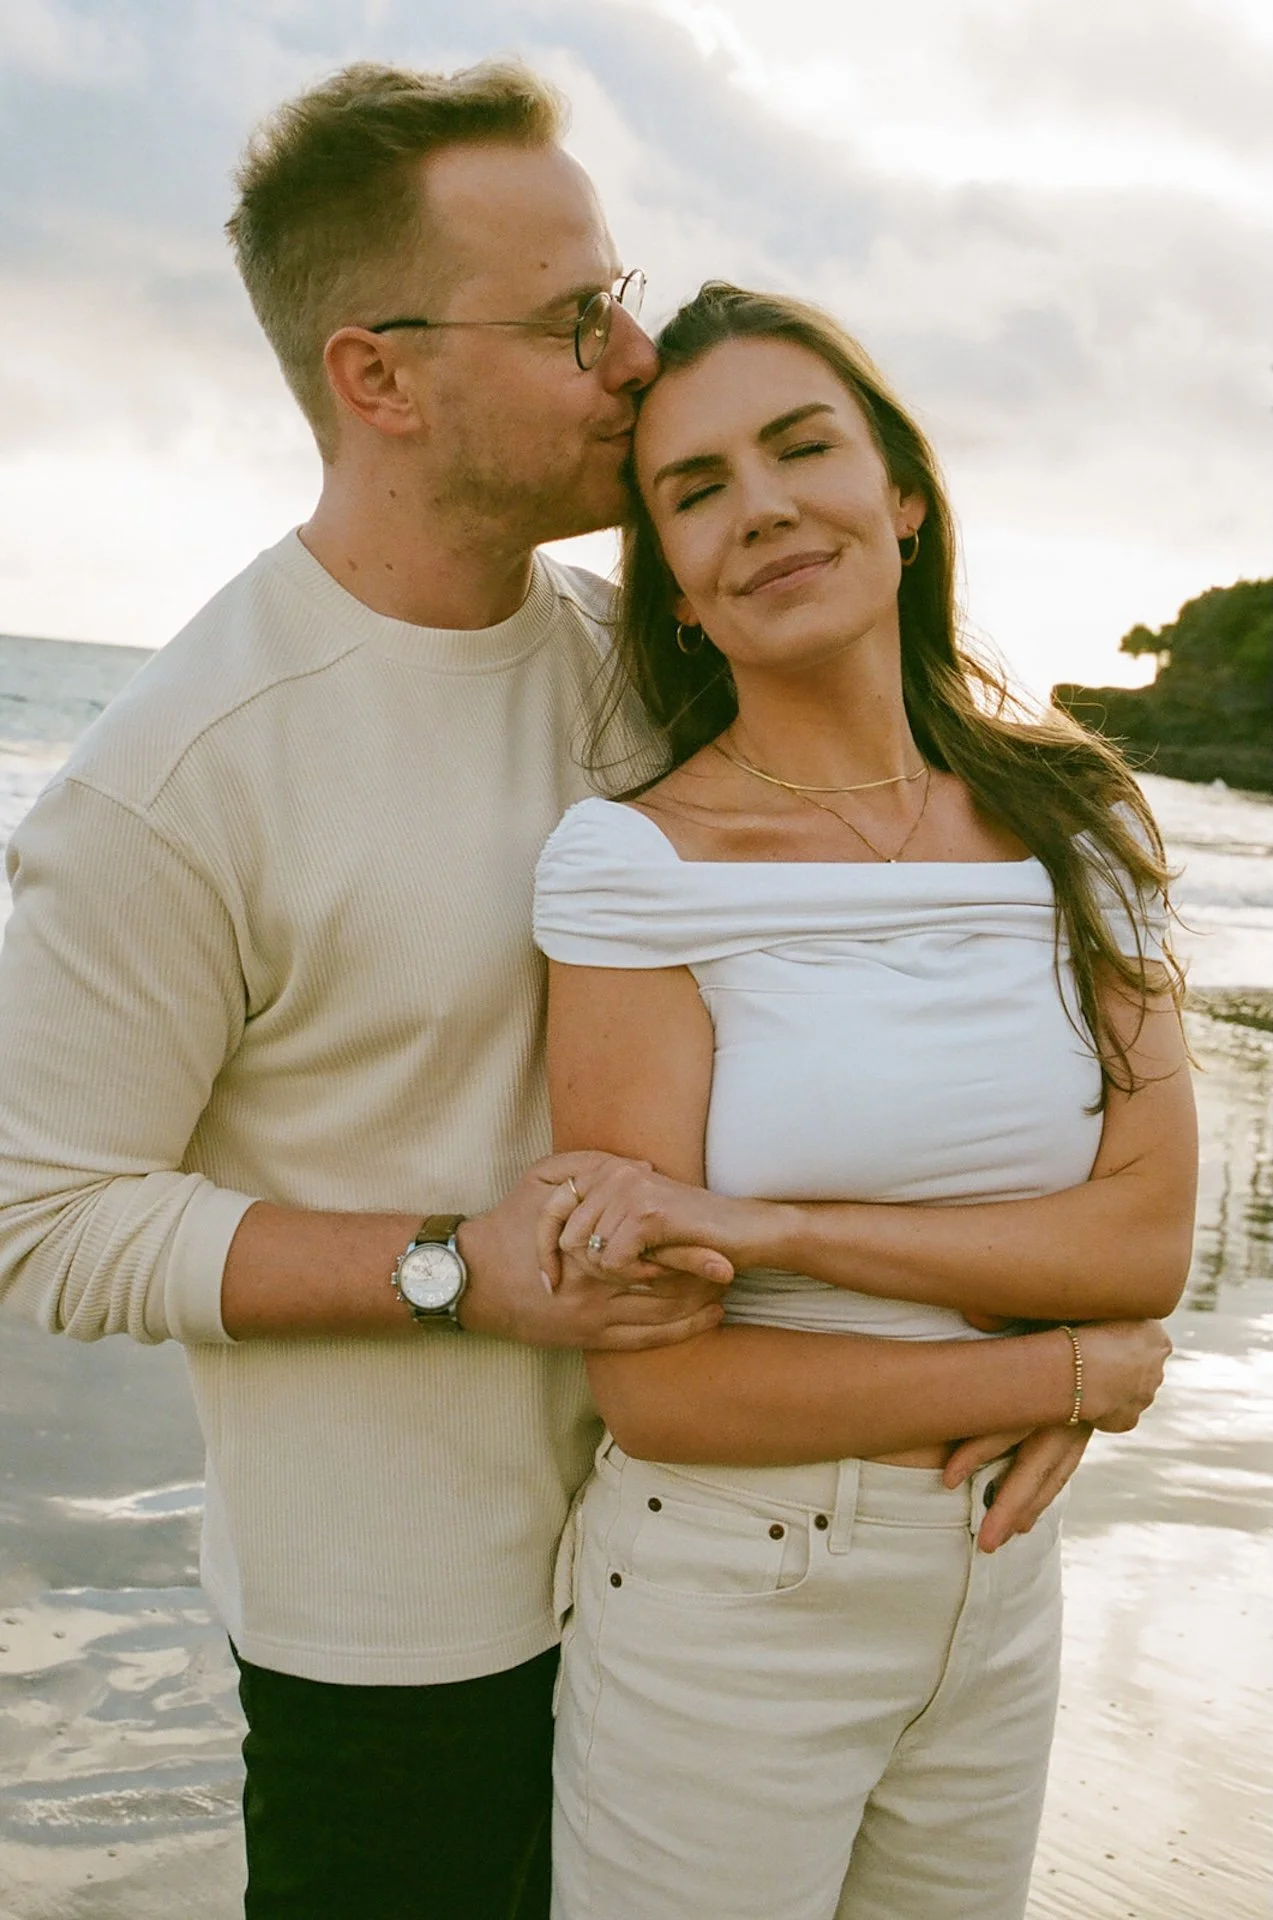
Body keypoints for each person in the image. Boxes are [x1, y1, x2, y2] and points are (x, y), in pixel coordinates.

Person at [0, 61, 742, 1920]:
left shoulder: (647, 660)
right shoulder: (176, 781)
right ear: (378, 377)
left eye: (623, 288)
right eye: (578, 315)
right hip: (397, 1649)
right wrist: (453, 1269)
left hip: (717, 1562)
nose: (638, 352)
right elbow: (40, 1216)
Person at [533, 283, 1197, 1919]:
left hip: (997, 1588)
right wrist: (1069, 1366)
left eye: (800, 446)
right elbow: (664, 1396)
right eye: (696, 490)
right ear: (678, 593)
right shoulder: (634, 869)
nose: (760, 507)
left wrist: (774, 1230)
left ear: (900, 491)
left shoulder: (1079, 819)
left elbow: (1143, 1246)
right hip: (730, 1599)